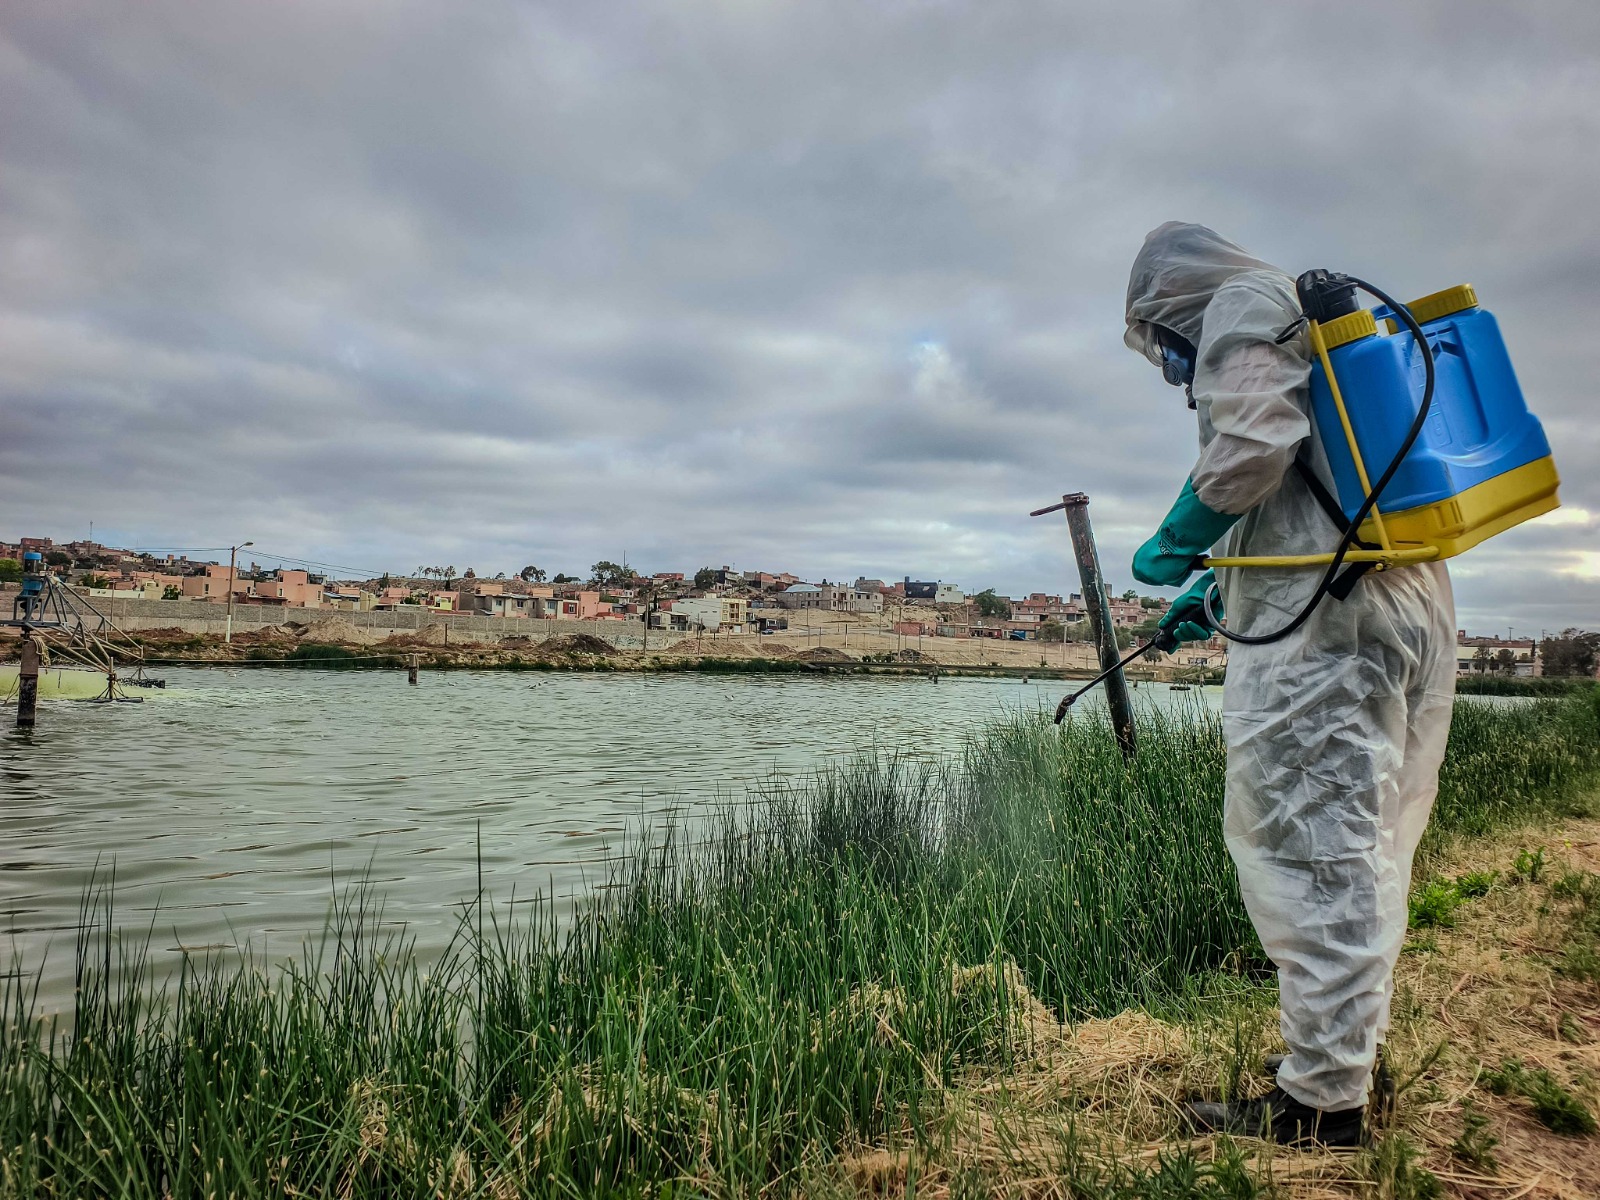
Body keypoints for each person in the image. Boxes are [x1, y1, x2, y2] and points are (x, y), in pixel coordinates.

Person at [1125, 223, 1456, 1146]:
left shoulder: (1240, 302)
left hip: (1334, 629)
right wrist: (1218, 587)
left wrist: (1178, 534)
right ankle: (1344, 1061)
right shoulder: (1296, 320)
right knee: (1358, 838)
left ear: (1167, 303)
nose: (1175, 366)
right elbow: (1303, 493)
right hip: (1380, 594)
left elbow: (1257, 439)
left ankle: (1321, 1105)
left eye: (1165, 347)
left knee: (1312, 849)